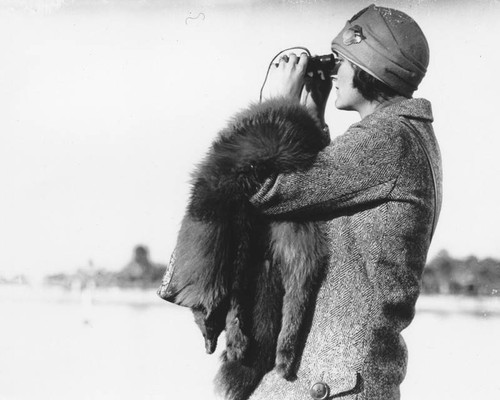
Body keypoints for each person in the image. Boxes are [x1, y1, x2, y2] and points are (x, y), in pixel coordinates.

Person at [159, 4, 442, 400]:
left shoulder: (389, 138)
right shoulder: (399, 138)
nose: (332, 73)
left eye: (339, 62)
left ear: (368, 67)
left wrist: (277, 109)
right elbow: (320, 196)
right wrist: (310, 116)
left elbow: (262, 189)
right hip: (332, 379)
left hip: (329, 384)